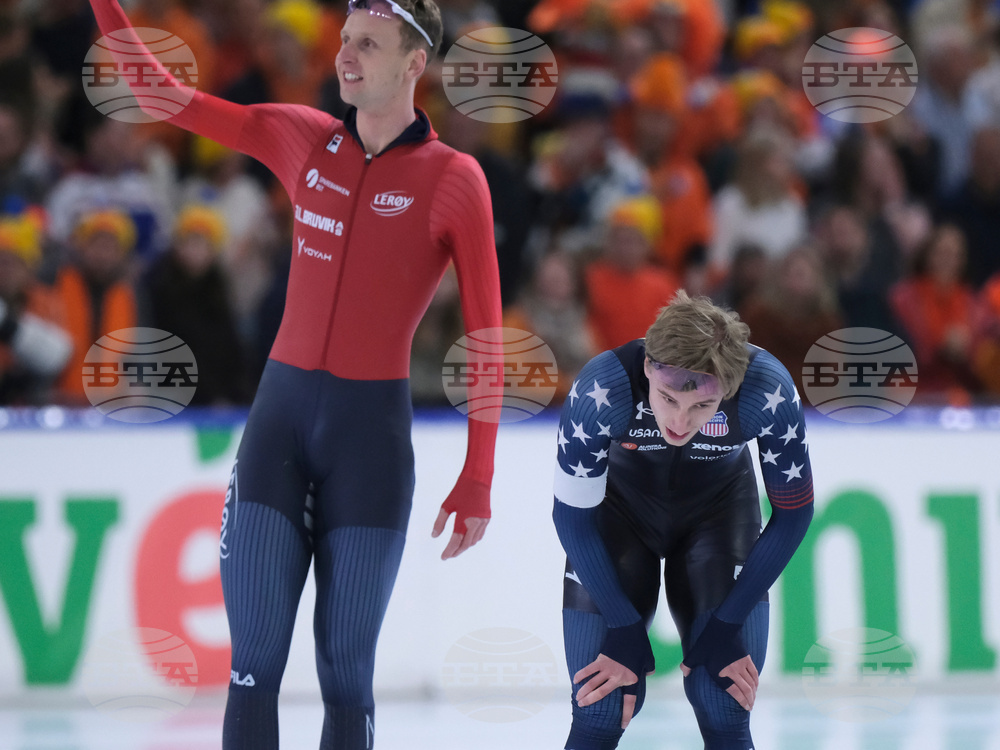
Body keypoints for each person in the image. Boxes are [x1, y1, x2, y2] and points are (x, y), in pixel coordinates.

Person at [86, 1, 503, 748]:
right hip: (277, 426)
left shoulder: (454, 178)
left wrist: (479, 474)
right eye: (344, 40)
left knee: (346, 675)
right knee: (253, 668)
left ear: (415, 64)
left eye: (367, 44)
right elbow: (157, 93)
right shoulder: (301, 138)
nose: (346, 55)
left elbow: (487, 337)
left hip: (369, 444)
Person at [553, 290, 814, 750]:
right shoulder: (605, 387)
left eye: (702, 406)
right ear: (649, 368)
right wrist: (621, 624)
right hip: (619, 515)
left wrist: (728, 624)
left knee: (723, 700)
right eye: (668, 398)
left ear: (730, 390)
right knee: (601, 706)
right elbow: (571, 518)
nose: (679, 420)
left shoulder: (766, 389)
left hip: (718, 516)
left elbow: (794, 513)